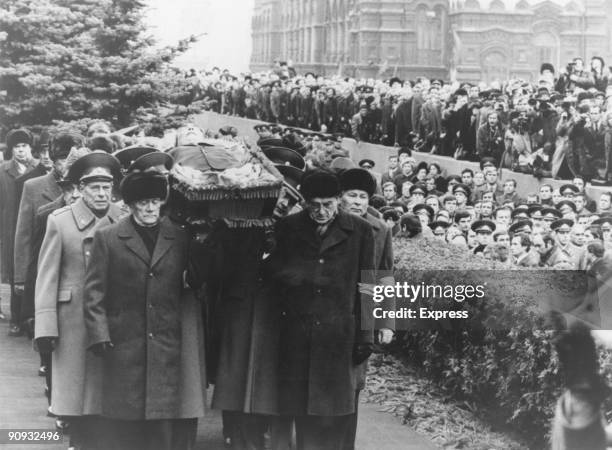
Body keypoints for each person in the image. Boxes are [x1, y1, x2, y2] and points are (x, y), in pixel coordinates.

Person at [83, 171, 201, 450]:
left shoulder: (180, 237)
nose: (150, 208)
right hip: (124, 342)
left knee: (160, 425)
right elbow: (94, 292)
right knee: (124, 422)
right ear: (131, 204)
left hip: (165, 342)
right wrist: (100, 335)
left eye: (156, 202)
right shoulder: (108, 238)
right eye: (144, 202)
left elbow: (195, 280)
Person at [265, 169, 376, 450]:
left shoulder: (361, 231)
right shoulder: (289, 227)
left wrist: (366, 335)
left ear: (338, 199)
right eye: (315, 205)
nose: (322, 211)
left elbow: (369, 284)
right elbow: (274, 274)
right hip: (296, 335)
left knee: (333, 413)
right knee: (299, 409)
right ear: (304, 202)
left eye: (328, 204)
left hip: (338, 335)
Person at [34, 151, 124, 449]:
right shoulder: (60, 222)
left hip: (112, 315)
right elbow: (47, 276)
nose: (101, 193)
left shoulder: (122, 220)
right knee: (76, 393)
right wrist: (46, 327)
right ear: (81, 189)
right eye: (94, 187)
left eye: (106, 187)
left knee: (107, 390)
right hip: (72, 319)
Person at [338, 168, 395, 450]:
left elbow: (386, 275)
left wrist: (386, 322)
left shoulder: (380, 229)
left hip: (363, 317)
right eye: (352, 195)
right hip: (329, 313)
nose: (358, 202)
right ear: (340, 198)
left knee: (353, 385)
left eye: (363, 196)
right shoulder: (329, 222)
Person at [14, 132, 83, 335]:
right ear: (53, 160)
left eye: (73, 158)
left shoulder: (86, 187)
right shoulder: (33, 186)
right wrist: (20, 277)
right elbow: (23, 234)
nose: (67, 164)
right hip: (43, 267)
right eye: (62, 159)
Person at [0, 129, 37, 331]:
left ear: (30, 147)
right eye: (17, 147)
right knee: (16, 273)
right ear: (11, 149)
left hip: (34, 226)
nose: (21, 150)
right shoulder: (3, 171)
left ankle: (30, 318)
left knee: (34, 271)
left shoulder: (40, 168)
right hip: (11, 228)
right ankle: (16, 319)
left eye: (24, 146)